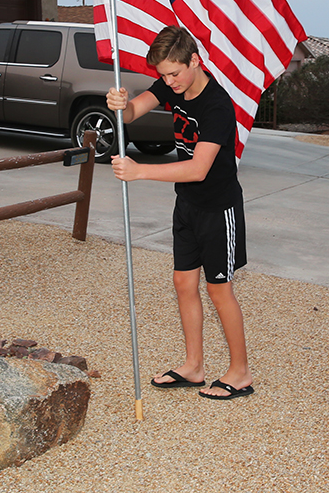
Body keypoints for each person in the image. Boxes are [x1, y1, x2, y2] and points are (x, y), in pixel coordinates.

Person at [106, 26, 254, 400]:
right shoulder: (172, 85)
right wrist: (121, 104)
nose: (168, 82)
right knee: (183, 284)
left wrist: (139, 171)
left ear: (195, 61)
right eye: (163, 75)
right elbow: (135, 111)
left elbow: (198, 169)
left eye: (174, 73)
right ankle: (194, 366)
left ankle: (240, 373)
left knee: (219, 289)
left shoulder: (217, 106)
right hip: (186, 205)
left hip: (218, 209)